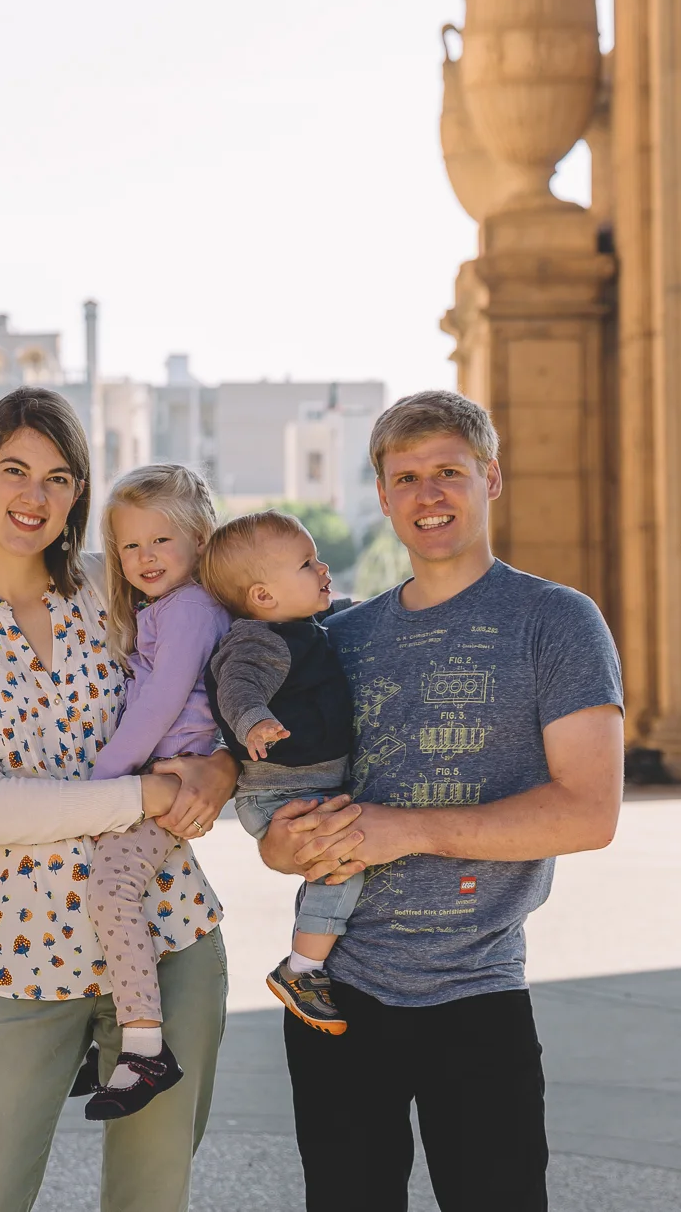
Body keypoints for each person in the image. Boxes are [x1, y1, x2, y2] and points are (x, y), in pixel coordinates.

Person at [0, 388, 240, 1212]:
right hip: (16, 956)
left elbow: (225, 669)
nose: (34, 496)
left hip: (168, 936)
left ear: (79, 495)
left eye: (59, 477)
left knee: (151, 1200)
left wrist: (223, 767)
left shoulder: (118, 584)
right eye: (15, 470)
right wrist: (147, 791)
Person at [256, 390, 625, 1212]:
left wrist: (406, 830)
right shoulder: (338, 638)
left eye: (449, 472)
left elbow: (589, 811)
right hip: (336, 996)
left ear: (490, 478)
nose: (428, 494)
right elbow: (283, 799)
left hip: (479, 990)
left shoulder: (556, 621)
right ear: (383, 496)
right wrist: (280, 843)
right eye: (407, 477)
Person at [80, 463, 232, 1121]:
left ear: (200, 538)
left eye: (161, 540)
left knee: (111, 891)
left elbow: (162, 701)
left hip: (166, 778)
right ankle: (108, 1034)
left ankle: (143, 1047)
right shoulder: (163, 608)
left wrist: (104, 783)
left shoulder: (191, 609)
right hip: (159, 775)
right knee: (105, 890)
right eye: (130, 545)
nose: (144, 557)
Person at [197, 510, 359, 1034]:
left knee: (338, 857)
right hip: (280, 792)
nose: (323, 568)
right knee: (340, 863)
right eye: (308, 564)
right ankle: (302, 969)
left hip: (304, 785)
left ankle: (306, 961)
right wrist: (254, 721)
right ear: (264, 596)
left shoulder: (304, 628)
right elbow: (238, 685)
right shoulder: (259, 641)